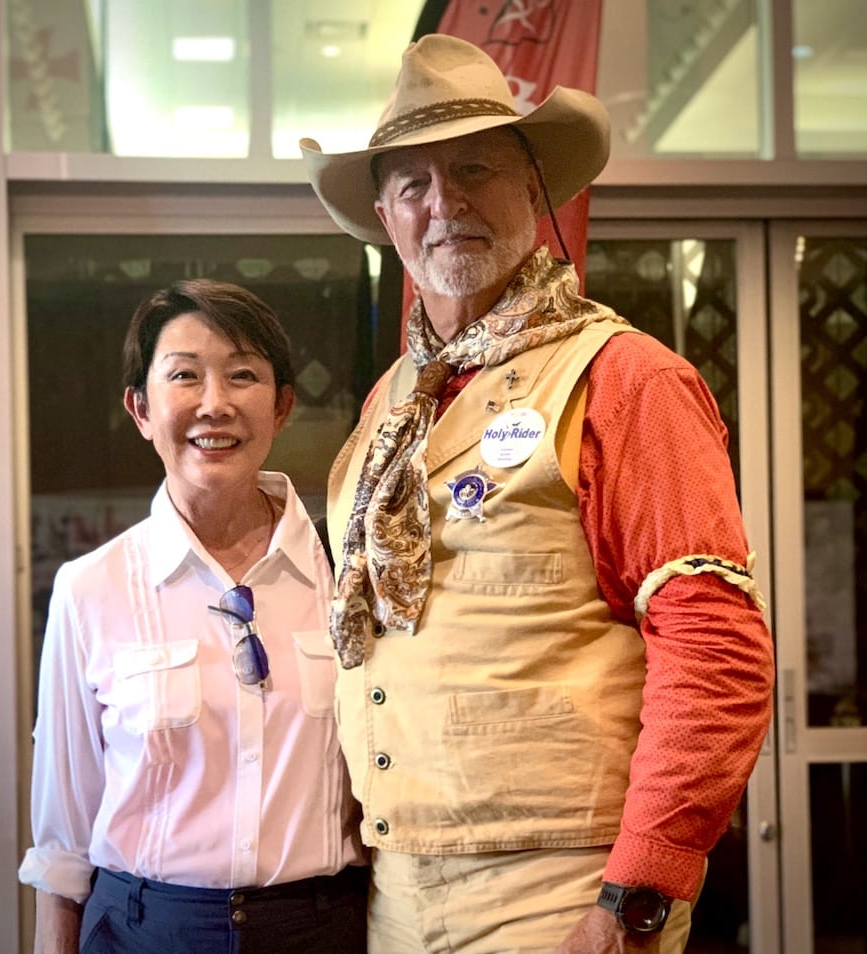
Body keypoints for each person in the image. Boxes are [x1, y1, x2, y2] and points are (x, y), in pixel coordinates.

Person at [300, 34, 774, 954]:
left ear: (535, 192)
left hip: (564, 889)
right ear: (387, 219)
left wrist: (635, 893)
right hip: (396, 889)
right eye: (413, 185)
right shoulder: (390, 403)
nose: (446, 205)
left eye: (474, 168)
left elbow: (716, 648)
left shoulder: (627, 378)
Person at [18, 279, 367, 953]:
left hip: (322, 927)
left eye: (243, 376)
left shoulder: (348, 573)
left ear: (283, 404)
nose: (216, 404)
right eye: (184, 376)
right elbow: (63, 842)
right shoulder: (90, 588)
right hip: (143, 929)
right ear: (141, 408)